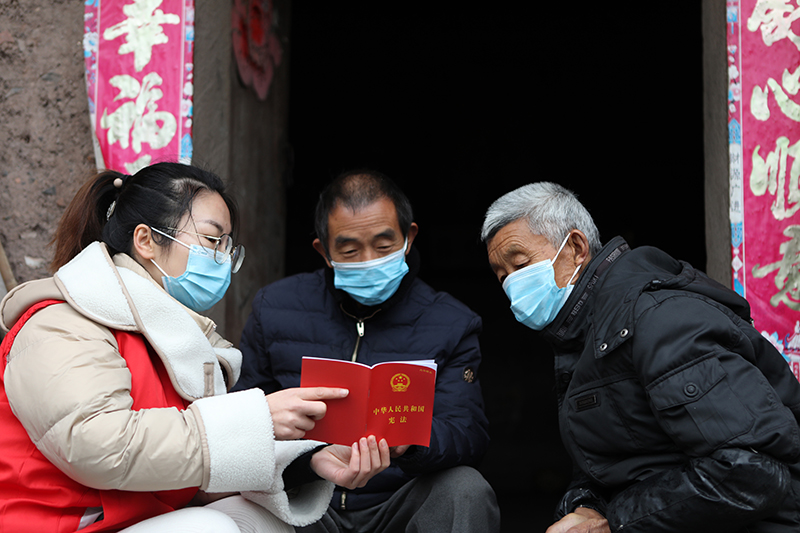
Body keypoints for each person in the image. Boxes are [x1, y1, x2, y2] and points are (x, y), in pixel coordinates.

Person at [0, 163, 391, 533]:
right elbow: (98, 446)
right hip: (56, 523)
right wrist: (258, 418)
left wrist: (308, 464)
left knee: (261, 518)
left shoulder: (180, 338)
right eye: (211, 240)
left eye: (227, 246)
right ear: (146, 240)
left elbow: (194, 471)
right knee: (211, 527)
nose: (222, 258)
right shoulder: (61, 322)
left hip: (136, 519)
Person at [480, 181, 800, 533]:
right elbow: (616, 464)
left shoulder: (659, 321)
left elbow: (751, 474)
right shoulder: (583, 336)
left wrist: (611, 524)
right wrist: (586, 505)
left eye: (521, 264)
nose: (513, 285)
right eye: (502, 277)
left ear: (575, 247)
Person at [233, 169, 500, 532]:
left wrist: (412, 443)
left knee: (465, 488)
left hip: (398, 500)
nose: (368, 259)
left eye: (384, 246)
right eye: (349, 249)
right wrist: (306, 459)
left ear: (409, 238)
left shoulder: (451, 322)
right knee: (236, 502)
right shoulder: (275, 307)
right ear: (324, 251)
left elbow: (468, 432)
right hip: (308, 502)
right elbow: (242, 418)